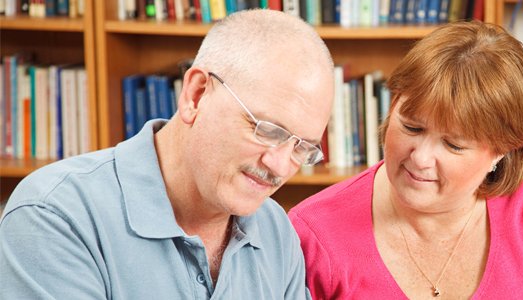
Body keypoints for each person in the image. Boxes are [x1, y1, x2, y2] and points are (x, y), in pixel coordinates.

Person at [288, 21, 523, 299]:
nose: (419, 158)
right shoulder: (312, 232)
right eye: (411, 127)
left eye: (453, 145)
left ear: (502, 150)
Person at [0, 10, 334, 299]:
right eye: (267, 130)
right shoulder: (55, 216)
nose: (278, 166)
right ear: (196, 95)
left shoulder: (276, 230)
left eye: (302, 147)